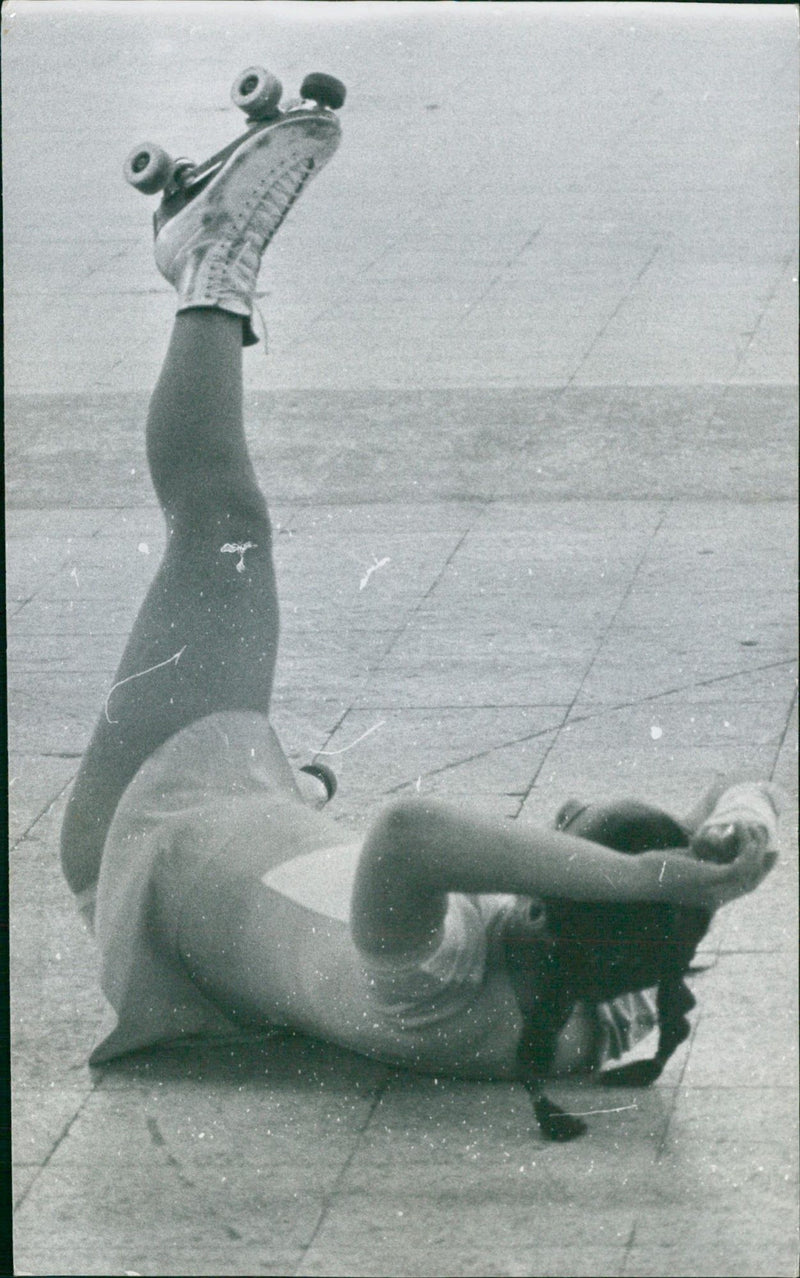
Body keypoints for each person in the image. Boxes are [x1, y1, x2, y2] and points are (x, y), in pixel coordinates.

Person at [59, 86, 779, 1093]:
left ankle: (208, 260)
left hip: (145, 841)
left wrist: (654, 874)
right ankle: (209, 267)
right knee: (226, 533)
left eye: (556, 835)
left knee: (222, 528)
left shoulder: (434, 981)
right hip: (232, 822)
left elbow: (408, 834)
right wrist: (740, 825)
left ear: (537, 905)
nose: (552, 812)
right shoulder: (580, 986)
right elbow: (689, 857)